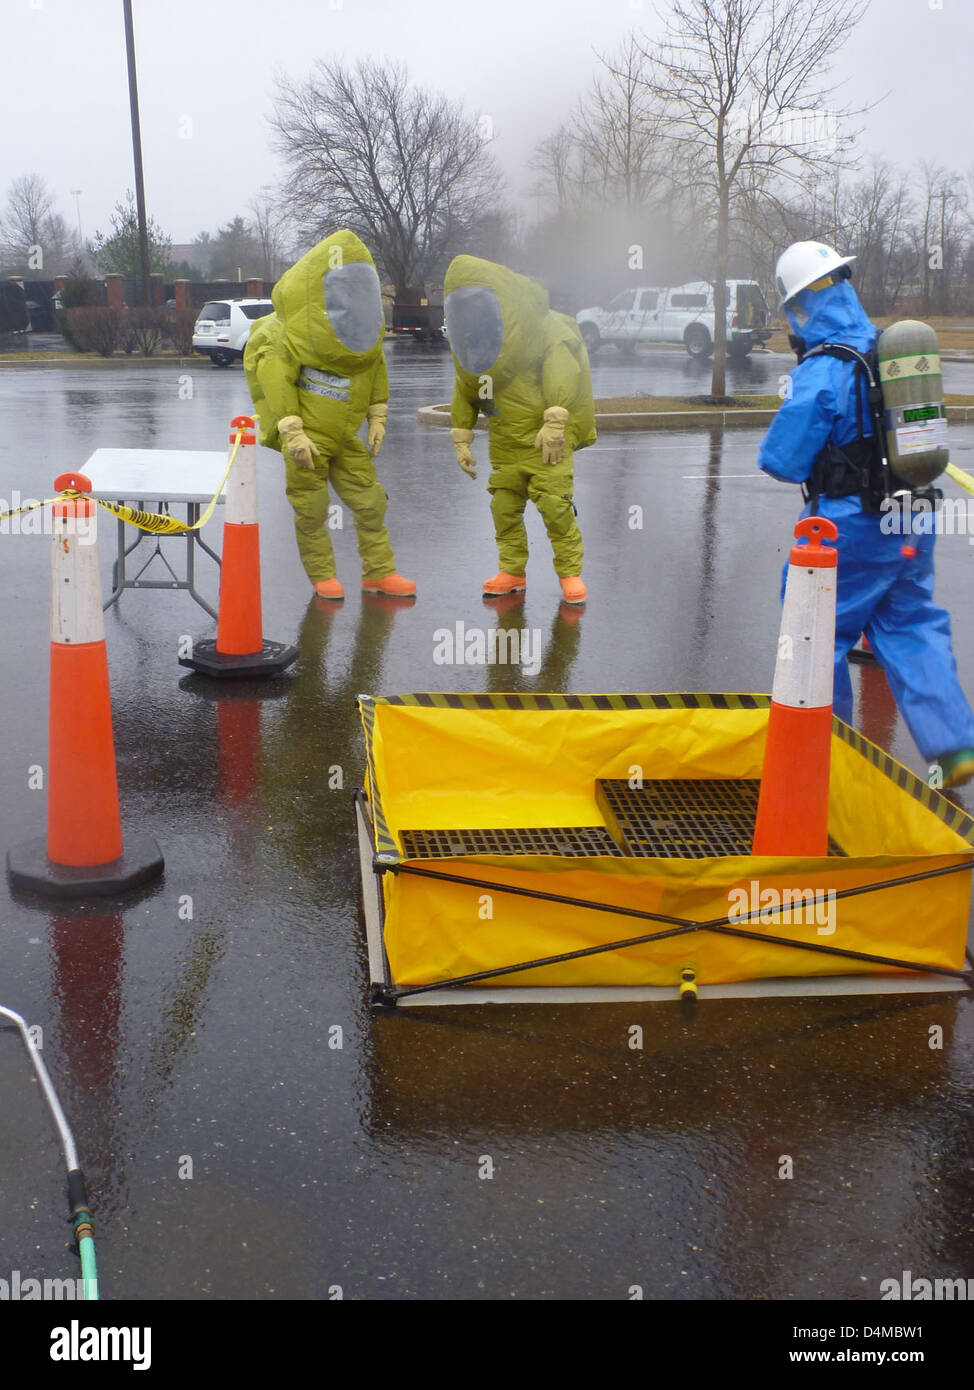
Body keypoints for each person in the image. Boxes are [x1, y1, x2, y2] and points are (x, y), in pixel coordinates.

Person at [759, 240, 974, 789]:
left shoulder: (825, 367)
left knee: (815, 632)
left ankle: (818, 764)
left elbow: (782, 459)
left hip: (851, 526)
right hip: (912, 518)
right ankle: (953, 746)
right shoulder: (888, 351)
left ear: (801, 304)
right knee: (911, 623)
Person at [244, 229, 415, 600]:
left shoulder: (360, 337)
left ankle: (379, 573)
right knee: (312, 507)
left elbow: (374, 370)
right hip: (308, 438)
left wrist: (378, 415)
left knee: (371, 501)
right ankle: (323, 575)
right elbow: (276, 381)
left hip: (344, 438)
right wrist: (292, 430)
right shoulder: (289, 339)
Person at [444, 254, 596, 603]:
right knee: (503, 510)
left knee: (556, 509)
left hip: (546, 443)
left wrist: (555, 420)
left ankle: (570, 574)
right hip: (505, 444)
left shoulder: (543, 330)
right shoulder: (476, 343)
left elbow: (563, 369)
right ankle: (512, 571)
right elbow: (466, 386)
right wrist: (461, 437)